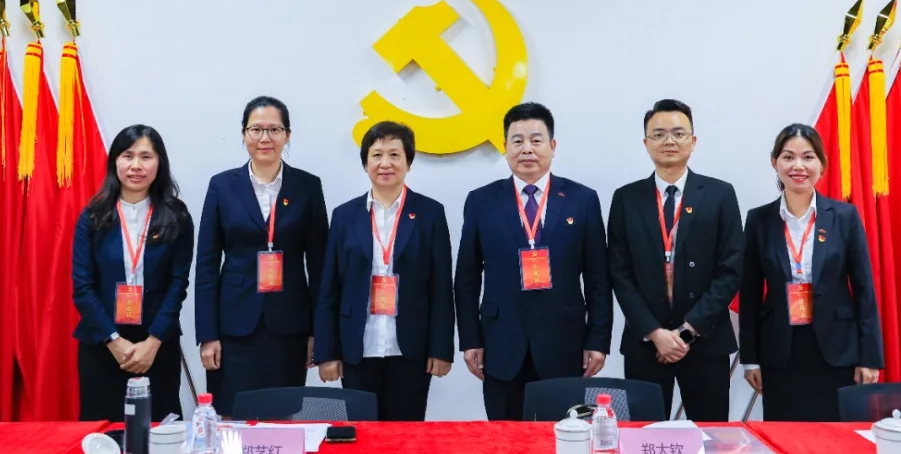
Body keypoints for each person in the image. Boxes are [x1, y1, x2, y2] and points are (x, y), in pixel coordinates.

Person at [455, 102, 612, 421]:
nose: (527, 149)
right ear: (505, 147)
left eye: (536, 140)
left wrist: (598, 340)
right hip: (500, 344)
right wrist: (470, 340)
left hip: (564, 345)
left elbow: (598, 277)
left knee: (564, 438)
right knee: (505, 440)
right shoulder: (481, 200)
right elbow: (467, 279)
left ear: (552, 146)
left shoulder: (582, 199)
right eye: (518, 141)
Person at [606, 99, 744, 421]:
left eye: (678, 133)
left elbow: (731, 270)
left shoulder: (720, 194)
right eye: (659, 134)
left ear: (693, 141)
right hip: (646, 344)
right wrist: (655, 333)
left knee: (710, 437)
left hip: (706, 341)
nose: (669, 140)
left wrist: (686, 331)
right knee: (644, 439)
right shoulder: (626, 198)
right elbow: (619, 273)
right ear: (646, 143)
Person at [739, 123, 883, 422]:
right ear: (775, 162)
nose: (798, 166)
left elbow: (864, 291)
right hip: (780, 351)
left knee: (834, 437)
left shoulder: (844, 216)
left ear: (821, 164)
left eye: (808, 157)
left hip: (837, 350)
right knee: (785, 436)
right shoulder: (759, 220)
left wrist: (869, 357)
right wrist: (750, 359)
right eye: (788, 157)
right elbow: (750, 295)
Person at [195, 96, 329, 416]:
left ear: (287, 135)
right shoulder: (222, 186)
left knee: (282, 416)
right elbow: (206, 265)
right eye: (256, 129)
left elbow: (320, 266)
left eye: (274, 129)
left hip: (290, 326)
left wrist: (318, 333)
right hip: (234, 327)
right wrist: (208, 335)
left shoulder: (307, 186)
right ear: (244, 134)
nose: (264, 138)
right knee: (232, 415)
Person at [314, 121, 454, 421]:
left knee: (406, 435)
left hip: (411, 349)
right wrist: (327, 352)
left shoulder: (430, 213)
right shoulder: (344, 216)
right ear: (366, 163)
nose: (385, 163)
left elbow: (441, 287)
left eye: (394, 154)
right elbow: (329, 289)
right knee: (361, 435)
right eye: (377, 155)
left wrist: (441, 349)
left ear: (408, 163)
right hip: (357, 349)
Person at [72, 124, 194, 422]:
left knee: (160, 431)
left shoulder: (176, 216)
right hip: (103, 344)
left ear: (159, 163)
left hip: (157, 345)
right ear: (115, 162)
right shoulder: (93, 216)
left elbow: (177, 285)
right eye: (128, 156)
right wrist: (114, 341)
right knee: (105, 434)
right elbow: (83, 287)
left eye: (146, 157)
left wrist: (153, 343)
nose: (136, 165)